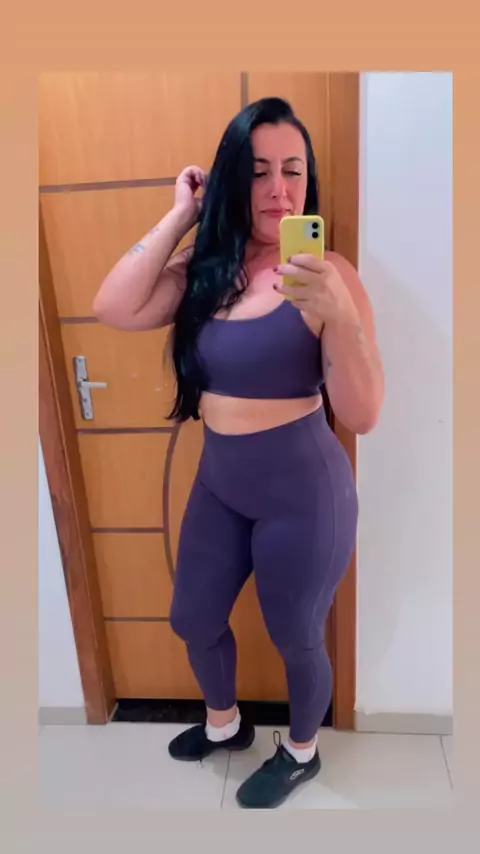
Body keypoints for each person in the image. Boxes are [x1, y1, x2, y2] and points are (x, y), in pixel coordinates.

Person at [94, 97, 384, 809]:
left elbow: (363, 415)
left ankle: (302, 751)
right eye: (257, 172)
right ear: (230, 180)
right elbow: (113, 306)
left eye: (293, 170)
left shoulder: (329, 274)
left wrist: (341, 317)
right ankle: (225, 725)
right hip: (221, 482)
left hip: (303, 493)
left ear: (309, 178)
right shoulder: (207, 269)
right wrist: (182, 215)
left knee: (296, 634)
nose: (279, 189)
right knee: (193, 617)